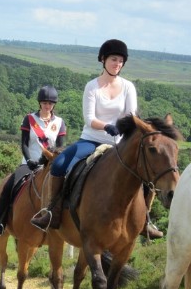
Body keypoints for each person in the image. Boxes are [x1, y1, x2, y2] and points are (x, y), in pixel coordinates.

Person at [30, 39, 163, 239]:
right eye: (113, 59)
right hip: (91, 140)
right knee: (59, 165)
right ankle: (52, 212)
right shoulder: (92, 86)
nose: (117, 64)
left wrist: (120, 129)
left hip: (120, 143)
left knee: (146, 171)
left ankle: (145, 220)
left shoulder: (128, 87)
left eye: (120, 61)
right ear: (103, 60)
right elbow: (89, 118)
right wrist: (107, 126)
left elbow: (132, 116)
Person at [0, 85, 66, 235]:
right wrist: (29, 159)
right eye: (45, 103)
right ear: (40, 103)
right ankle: (1, 222)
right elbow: (24, 143)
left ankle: (63, 221)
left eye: (50, 104)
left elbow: (60, 147)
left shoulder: (59, 122)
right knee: (10, 185)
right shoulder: (30, 119)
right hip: (29, 163)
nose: (47, 106)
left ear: (54, 105)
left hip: (50, 164)